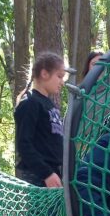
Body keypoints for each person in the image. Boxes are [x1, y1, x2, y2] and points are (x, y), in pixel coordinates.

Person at [14, 51, 71, 188]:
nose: (62, 83)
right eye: (59, 76)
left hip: (53, 172)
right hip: (38, 175)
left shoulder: (50, 104)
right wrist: (46, 173)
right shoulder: (30, 103)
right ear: (44, 74)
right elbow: (24, 144)